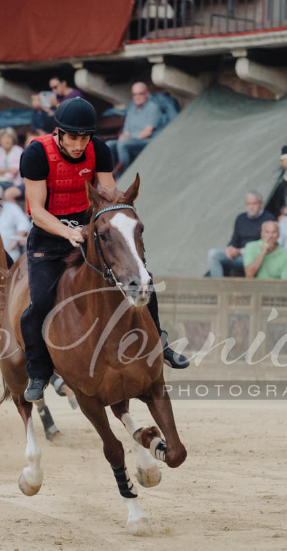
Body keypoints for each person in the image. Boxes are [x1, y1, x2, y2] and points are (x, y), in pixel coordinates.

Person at [18, 99, 188, 401]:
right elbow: (37, 212)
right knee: (40, 303)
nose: (79, 145)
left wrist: (113, 221)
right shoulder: (36, 154)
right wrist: (67, 231)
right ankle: (39, 371)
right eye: (72, 138)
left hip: (89, 231)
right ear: (58, 132)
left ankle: (160, 346)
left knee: (144, 278)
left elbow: (108, 196)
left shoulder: (100, 149)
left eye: (85, 138)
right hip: (49, 238)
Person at [207, 191, 274, 277]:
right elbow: (235, 239)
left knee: (250, 259)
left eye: (254, 204)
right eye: (248, 204)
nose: (251, 207)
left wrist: (240, 251)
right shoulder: (240, 218)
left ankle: (248, 289)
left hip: (256, 256)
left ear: (261, 204)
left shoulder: (268, 219)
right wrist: (230, 249)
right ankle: (217, 287)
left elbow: (266, 245)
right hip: (239, 256)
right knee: (213, 254)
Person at [106, 82, 163, 175]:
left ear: (147, 94)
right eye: (134, 94)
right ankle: (108, 174)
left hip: (145, 141)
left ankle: (123, 174)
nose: (137, 97)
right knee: (109, 144)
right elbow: (126, 131)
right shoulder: (132, 109)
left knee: (123, 144)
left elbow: (147, 132)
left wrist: (128, 139)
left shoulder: (153, 107)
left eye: (140, 94)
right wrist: (123, 137)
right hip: (130, 140)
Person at [0, 127, 24, 203]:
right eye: (3, 137)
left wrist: (0, 171)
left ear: (13, 139)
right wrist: (7, 170)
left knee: (6, 194)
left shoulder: (18, 150)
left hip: (16, 184)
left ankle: (15, 215)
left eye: (9, 137)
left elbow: (14, 172)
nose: (6, 140)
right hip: (1, 182)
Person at [0, 199, 32, 264]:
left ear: (0, 200)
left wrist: (13, 244)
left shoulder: (11, 207)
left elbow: (24, 224)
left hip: (11, 250)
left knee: (12, 258)